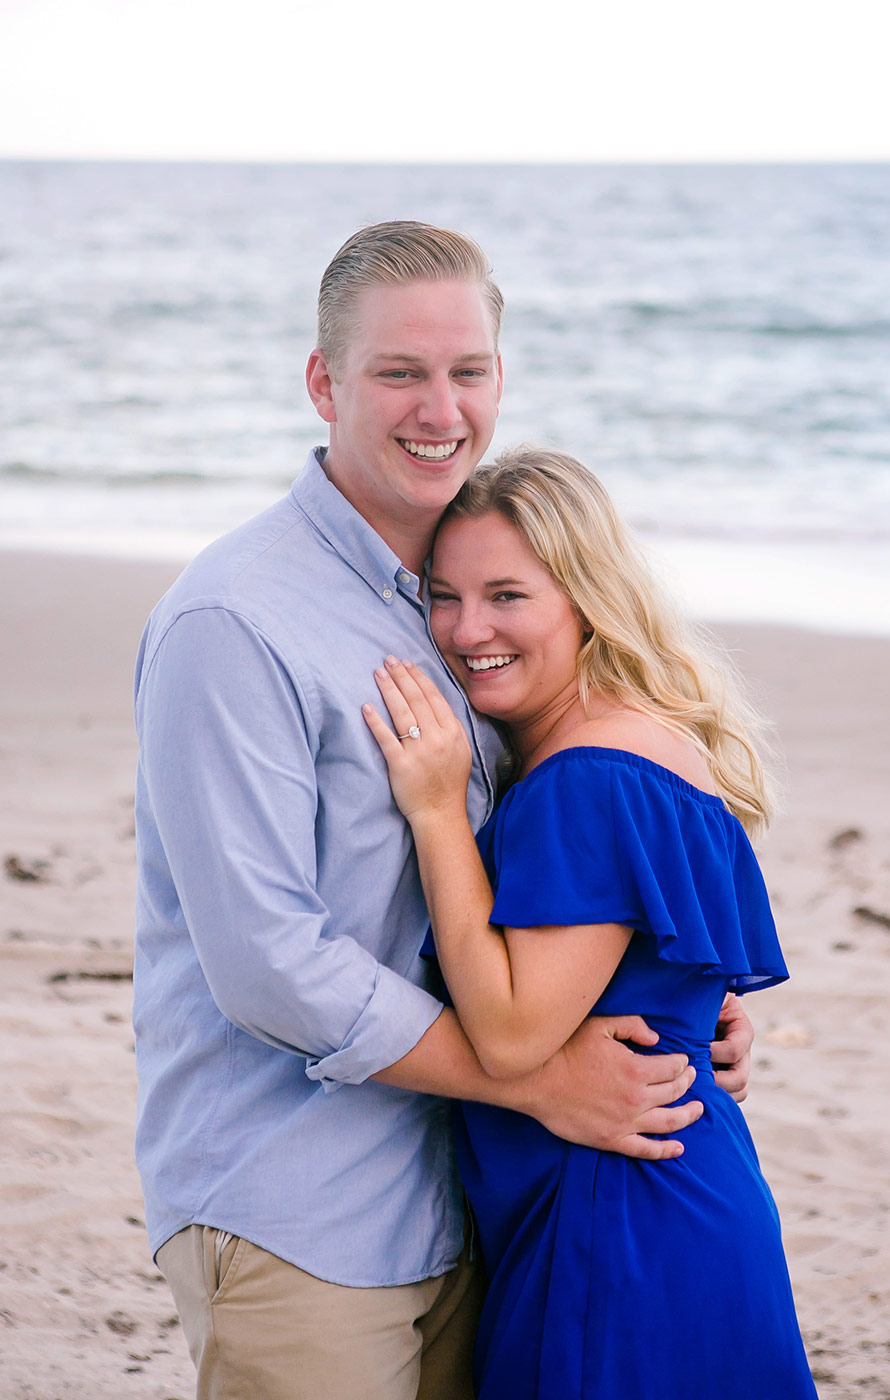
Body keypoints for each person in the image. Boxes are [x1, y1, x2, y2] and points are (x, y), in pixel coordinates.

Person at [133, 223, 753, 1400]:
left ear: (501, 378)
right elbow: (266, 963)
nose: (440, 405)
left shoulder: (465, 599)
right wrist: (534, 1075)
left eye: (467, 369)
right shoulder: (237, 622)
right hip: (298, 1209)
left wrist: (665, 1001)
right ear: (324, 381)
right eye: (399, 372)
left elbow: (566, 854)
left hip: (471, 1204)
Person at [363, 446, 817, 1400]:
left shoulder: (587, 777)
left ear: (585, 598)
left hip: (617, 1223)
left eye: (506, 596)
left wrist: (440, 812)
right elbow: (682, 978)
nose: (465, 628)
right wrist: (707, 1027)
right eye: (442, 596)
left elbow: (514, 1032)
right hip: (678, 1200)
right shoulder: (649, 741)